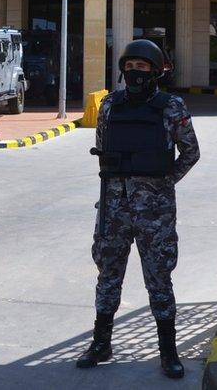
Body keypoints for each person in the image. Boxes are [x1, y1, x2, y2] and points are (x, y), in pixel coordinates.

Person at [77, 39, 200, 378]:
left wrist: (164, 182)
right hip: (114, 206)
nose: (134, 73)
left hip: (155, 212)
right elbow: (102, 147)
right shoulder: (110, 106)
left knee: (159, 276)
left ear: (156, 71)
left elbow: (190, 152)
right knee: (108, 275)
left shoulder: (171, 106)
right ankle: (101, 343)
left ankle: (167, 352)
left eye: (142, 67)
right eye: (129, 67)